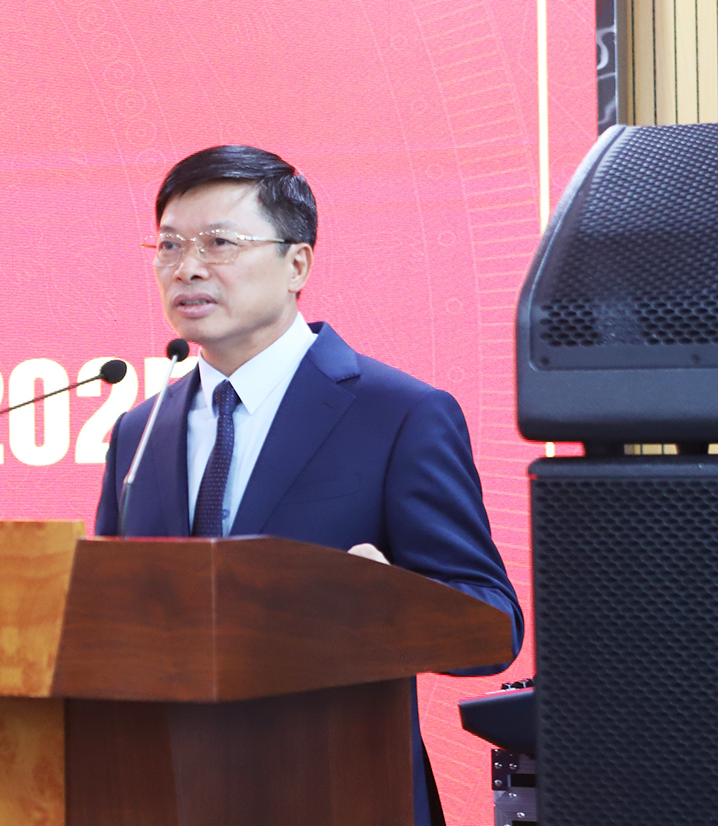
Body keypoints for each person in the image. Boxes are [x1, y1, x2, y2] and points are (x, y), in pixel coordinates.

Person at [95, 145, 523, 826]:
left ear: (297, 264)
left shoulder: (398, 414)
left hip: (341, 792)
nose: (188, 267)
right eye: (170, 245)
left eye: (219, 243)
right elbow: (105, 627)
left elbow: (494, 626)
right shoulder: (139, 433)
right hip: (166, 796)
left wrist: (392, 605)